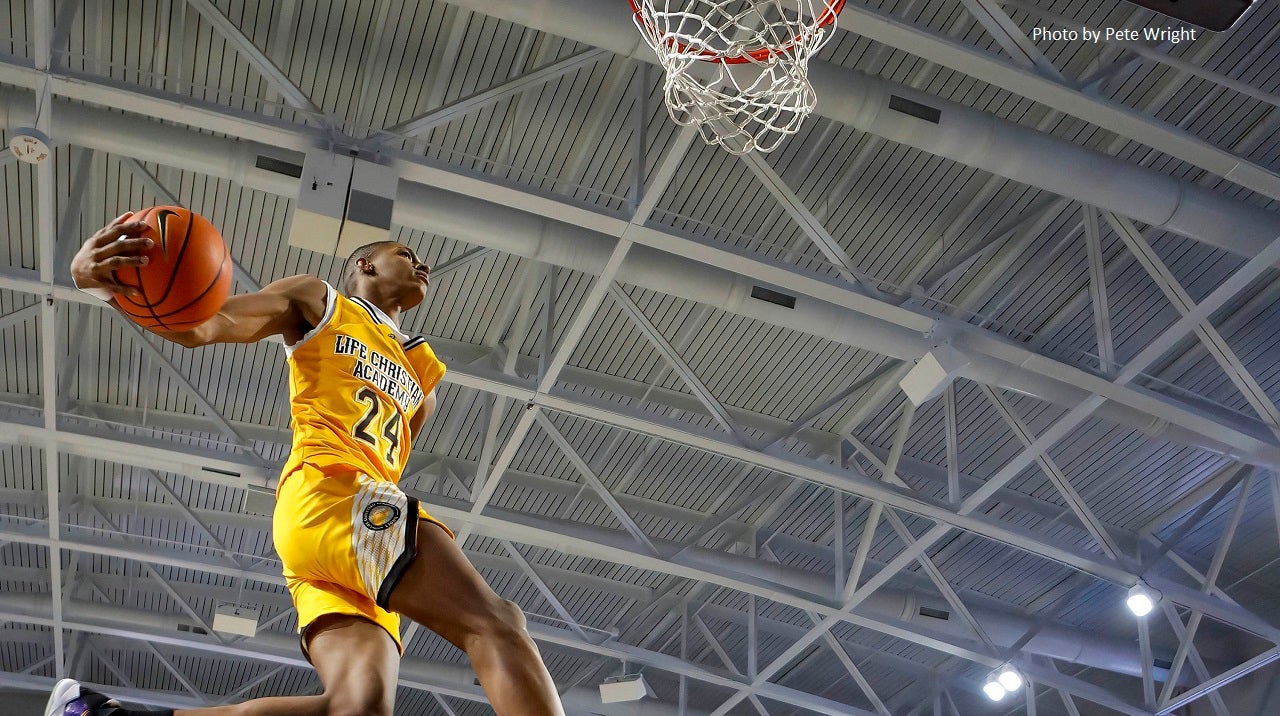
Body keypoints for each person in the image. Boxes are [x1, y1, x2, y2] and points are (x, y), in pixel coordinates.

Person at [48, 212, 566, 716]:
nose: (422, 265)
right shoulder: (320, 301)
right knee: (498, 623)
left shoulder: (421, 383)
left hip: (344, 532)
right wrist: (102, 287)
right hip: (330, 491)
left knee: (358, 707)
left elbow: (389, 461)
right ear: (365, 264)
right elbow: (207, 325)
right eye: (406, 254)